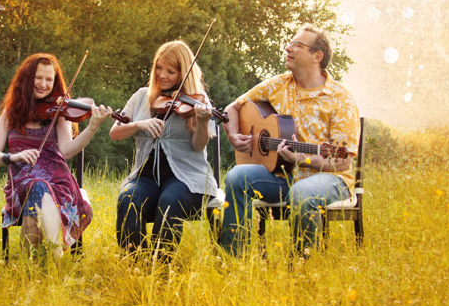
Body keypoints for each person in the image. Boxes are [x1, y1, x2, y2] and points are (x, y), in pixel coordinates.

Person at [218, 24, 359, 258]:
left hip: (330, 179)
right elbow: (233, 107)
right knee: (236, 177)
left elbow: (342, 163)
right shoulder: (278, 84)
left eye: (297, 45)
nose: (288, 47)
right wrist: (233, 136)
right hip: (283, 175)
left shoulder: (341, 100)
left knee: (302, 193)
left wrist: (304, 159)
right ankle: (234, 260)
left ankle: (301, 267)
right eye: (290, 43)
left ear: (317, 56)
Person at [0, 53, 112, 253]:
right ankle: (55, 255)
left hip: (57, 182)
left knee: (38, 189)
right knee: (36, 185)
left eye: (49, 79)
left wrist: (93, 127)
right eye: (38, 77)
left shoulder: (59, 112)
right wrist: (15, 157)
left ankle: (32, 265)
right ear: (27, 79)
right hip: (21, 182)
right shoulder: (11, 113)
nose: (43, 84)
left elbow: (67, 151)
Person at [110, 41, 218, 261]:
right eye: (159, 68)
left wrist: (204, 122)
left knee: (170, 201)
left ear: (183, 72)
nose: (163, 75)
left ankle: (161, 267)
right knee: (128, 200)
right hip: (146, 176)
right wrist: (139, 125)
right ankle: (136, 263)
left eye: (171, 71)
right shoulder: (142, 95)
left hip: (187, 177)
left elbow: (199, 146)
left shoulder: (197, 100)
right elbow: (115, 132)